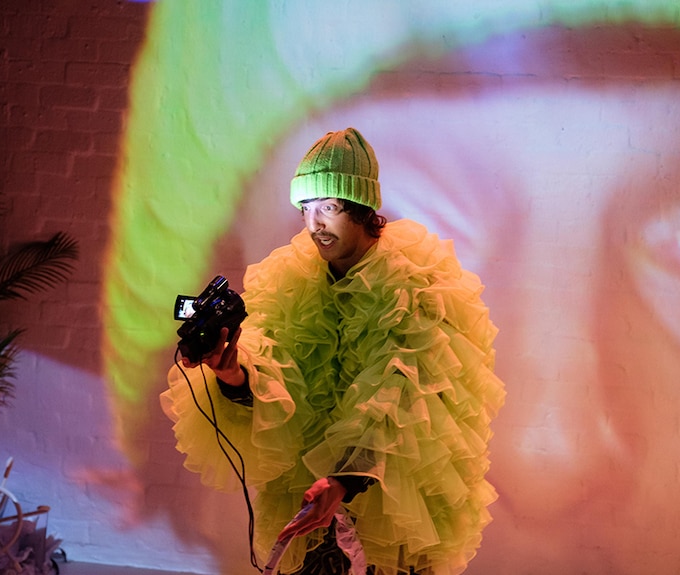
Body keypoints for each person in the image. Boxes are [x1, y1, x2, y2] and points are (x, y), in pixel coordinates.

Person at [161, 127, 506, 575]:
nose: (315, 224)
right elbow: (276, 364)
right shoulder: (291, 277)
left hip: (388, 500)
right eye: (307, 208)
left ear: (361, 209)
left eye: (330, 207)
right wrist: (236, 376)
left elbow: (406, 398)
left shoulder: (417, 284)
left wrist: (345, 480)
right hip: (310, 492)